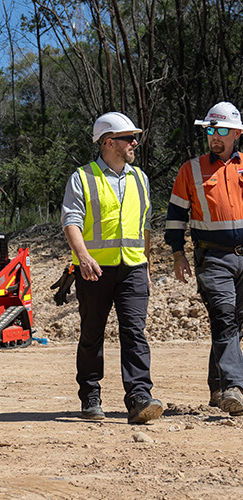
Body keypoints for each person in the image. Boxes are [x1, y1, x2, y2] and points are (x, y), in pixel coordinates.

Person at [61, 111, 163, 424]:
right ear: (109, 142)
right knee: (92, 333)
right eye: (128, 138)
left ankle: (139, 396)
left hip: (133, 268)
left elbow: (144, 224)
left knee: (135, 332)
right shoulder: (83, 177)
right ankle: (90, 394)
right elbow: (71, 221)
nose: (135, 143)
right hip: (94, 269)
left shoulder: (140, 178)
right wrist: (83, 256)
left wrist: (147, 262)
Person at [166, 102, 243, 416]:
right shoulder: (191, 169)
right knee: (224, 317)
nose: (215, 136)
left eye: (222, 130)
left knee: (234, 324)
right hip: (212, 257)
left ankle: (216, 385)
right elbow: (175, 216)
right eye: (210, 130)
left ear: (237, 133)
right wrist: (177, 253)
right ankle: (234, 388)